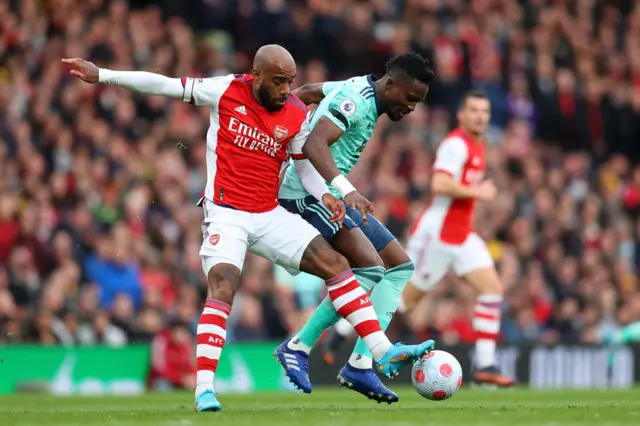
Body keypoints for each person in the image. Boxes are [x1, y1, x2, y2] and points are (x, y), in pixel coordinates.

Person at [62, 45, 435, 412]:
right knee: (224, 286)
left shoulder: (293, 113)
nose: (286, 90)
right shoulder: (225, 89)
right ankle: (204, 389)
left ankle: (380, 351)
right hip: (226, 213)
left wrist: (329, 195)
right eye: (277, 82)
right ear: (256, 76)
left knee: (337, 265)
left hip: (268, 213)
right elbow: (165, 84)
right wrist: (104, 75)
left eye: (289, 82)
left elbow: (305, 164)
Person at [274, 52, 435, 403]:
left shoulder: (356, 87)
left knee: (399, 266)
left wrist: (283, 127)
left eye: (418, 102)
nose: (412, 108)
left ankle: (360, 365)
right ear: (390, 84)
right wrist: (346, 190)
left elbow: (308, 91)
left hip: (332, 196)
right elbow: (316, 142)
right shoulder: (355, 102)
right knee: (368, 267)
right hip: (306, 196)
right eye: (410, 99)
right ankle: (299, 346)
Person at [401, 90, 515, 387]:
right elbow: (439, 183)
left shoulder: (478, 145)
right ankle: (344, 332)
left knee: (492, 289)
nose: (480, 116)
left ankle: (485, 363)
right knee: (403, 304)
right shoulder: (456, 145)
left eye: (484, 111)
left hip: (462, 236)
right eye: (474, 110)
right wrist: (477, 192)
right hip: (437, 236)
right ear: (461, 115)